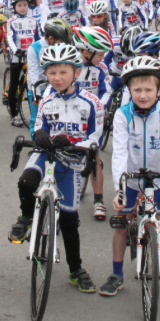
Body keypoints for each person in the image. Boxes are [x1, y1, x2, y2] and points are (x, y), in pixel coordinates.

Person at [8, 44, 102, 294]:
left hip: (71, 161)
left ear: (77, 73)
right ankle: (26, 217)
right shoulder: (47, 97)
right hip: (46, 153)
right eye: (52, 72)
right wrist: (39, 134)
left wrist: (75, 143)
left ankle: (76, 269)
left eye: (63, 72)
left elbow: (96, 137)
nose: (57, 78)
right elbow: (40, 124)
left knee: (70, 221)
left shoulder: (91, 102)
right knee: (26, 181)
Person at [100, 56, 160, 305]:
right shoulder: (122, 115)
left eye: (148, 89)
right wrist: (118, 188)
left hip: (159, 180)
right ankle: (116, 274)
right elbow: (118, 152)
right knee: (121, 223)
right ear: (128, 90)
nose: (142, 95)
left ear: (159, 90)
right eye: (137, 90)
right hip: (130, 179)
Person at [73, 26, 114, 220]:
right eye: (100, 54)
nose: (103, 57)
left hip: (92, 118)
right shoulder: (72, 66)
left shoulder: (102, 68)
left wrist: (100, 105)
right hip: (72, 117)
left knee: (94, 157)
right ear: (86, 52)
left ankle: (98, 200)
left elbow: (107, 91)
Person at [26, 18, 73, 136]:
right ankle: (37, 145)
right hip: (38, 87)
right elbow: (33, 73)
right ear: (51, 39)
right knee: (36, 119)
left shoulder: (63, 47)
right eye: (61, 42)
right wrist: (36, 93)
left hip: (56, 86)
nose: (63, 45)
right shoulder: (34, 48)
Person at [5, 0, 40, 126]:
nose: (23, 7)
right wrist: (15, 51)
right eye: (19, 5)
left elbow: (38, 38)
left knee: (33, 82)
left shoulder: (33, 20)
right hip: (17, 57)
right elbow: (10, 37)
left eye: (25, 4)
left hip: (30, 56)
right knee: (14, 85)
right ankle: (14, 114)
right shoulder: (11, 21)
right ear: (14, 7)